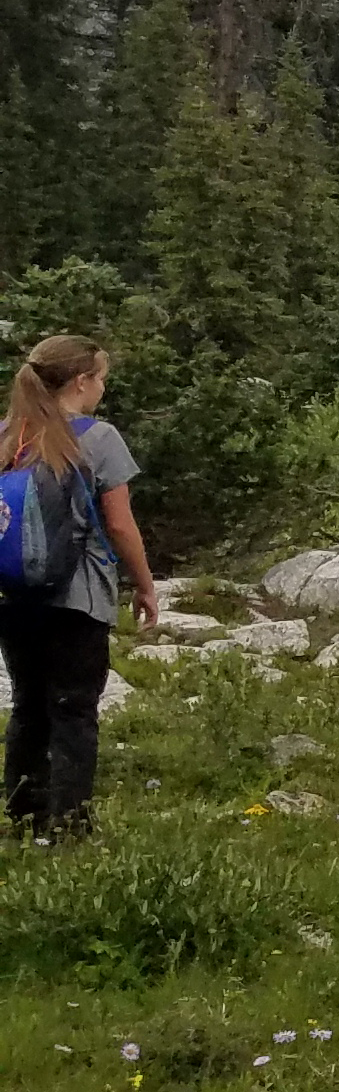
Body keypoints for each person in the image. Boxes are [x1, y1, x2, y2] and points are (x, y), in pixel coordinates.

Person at [1, 333, 164, 843]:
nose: (102, 390)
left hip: (12, 596)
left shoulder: (8, 434)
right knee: (74, 710)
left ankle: (23, 819)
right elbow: (119, 524)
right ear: (82, 381)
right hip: (78, 597)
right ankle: (70, 829)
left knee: (28, 705)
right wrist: (144, 585)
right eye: (101, 380)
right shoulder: (98, 437)